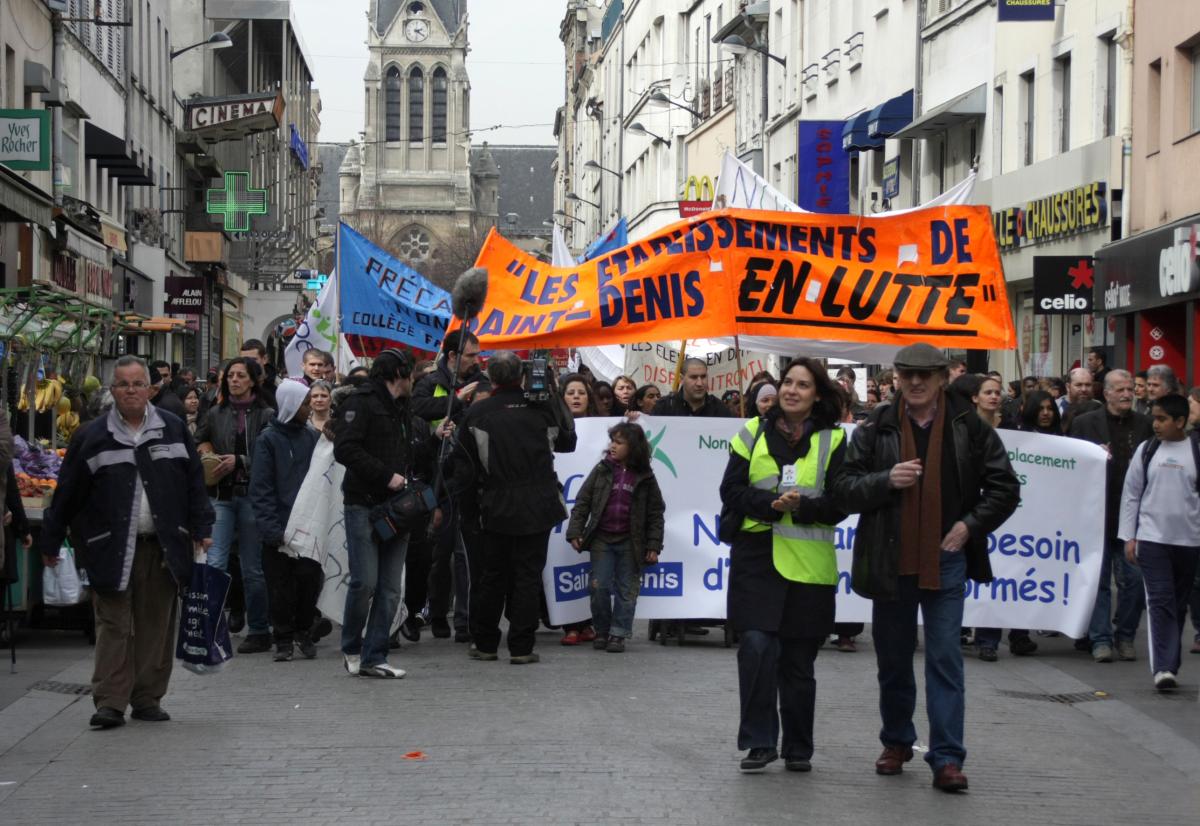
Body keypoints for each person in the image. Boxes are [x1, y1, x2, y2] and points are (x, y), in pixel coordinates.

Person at [832, 343, 1020, 793]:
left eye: (925, 375)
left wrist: (969, 526)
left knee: (945, 659)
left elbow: (1005, 488)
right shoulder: (875, 426)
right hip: (890, 559)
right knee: (893, 660)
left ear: (942, 378)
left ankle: (948, 757)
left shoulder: (969, 424)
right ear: (896, 376)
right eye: (907, 375)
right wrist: (884, 480)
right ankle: (896, 741)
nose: (915, 383)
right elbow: (842, 488)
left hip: (946, 560)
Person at [38, 356, 213, 729]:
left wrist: (202, 526)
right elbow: (67, 493)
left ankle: (148, 698)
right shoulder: (91, 435)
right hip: (110, 546)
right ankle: (110, 702)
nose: (131, 390)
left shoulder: (173, 428)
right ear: (112, 390)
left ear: (151, 388)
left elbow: (194, 484)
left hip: (163, 545)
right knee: (114, 624)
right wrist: (50, 540)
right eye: (123, 384)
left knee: (156, 625)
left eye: (138, 384)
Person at [720, 357, 848, 773]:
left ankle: (798, 747)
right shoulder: (750, 433)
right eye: (787, 382)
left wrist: (806, 506)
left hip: (809, 568)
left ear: (817, 394)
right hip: (756, 559)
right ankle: (759, 741)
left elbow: (840, 503)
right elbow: (731, 490)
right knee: (756, 648)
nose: (792, 390)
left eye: (803, 385)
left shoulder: (834, 439)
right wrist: (769, 505)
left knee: (797, 662)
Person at [456, 351, 577, 664]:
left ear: (492, 377)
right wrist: (552, 393)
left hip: (494, 505)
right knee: (527, 576)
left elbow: (465, 468)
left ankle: (485, 644)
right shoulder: (542, 409)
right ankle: (521, 647)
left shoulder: (478, 412)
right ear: (521, 376)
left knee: (492, 576)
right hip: (537, 504)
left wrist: (468, 511)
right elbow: (568, 440)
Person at [334, 349, 441, 679]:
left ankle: (374, 655)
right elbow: (346, 448)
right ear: (399, 374)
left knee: (391, 588)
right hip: (364, 504)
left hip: (398, 509)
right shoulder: (361, 402)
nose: (413, 381)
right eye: (410, 375)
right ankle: (352, 645)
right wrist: (385, 476)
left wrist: (432, 440)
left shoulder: (403, 409)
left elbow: (408, 451)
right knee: (364, 582)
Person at [1069, 369, 1153, 663]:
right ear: (1105, 393)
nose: (1126, 394)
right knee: (1098, 582)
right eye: (1119, 389)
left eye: (1130, 388)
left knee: (1134, 580)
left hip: (1133, 519)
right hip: (1095, 516)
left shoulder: (1145, 424)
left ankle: (1126, 635)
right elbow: (1071, 464)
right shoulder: (1084, 423)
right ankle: (1100, 639)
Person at [195, 357, 276, 654]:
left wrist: (240, 461)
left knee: (252, 567)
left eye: (241, 376)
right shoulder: (216, 413)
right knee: (215, 562)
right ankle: (212, 627)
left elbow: (271, 458)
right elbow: (199, 439)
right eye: (231, 376)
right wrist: (206, 450)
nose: (234, 380)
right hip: (221, 495)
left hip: (253, 497)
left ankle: (258, 629)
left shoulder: (267, 415)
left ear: (254, 380)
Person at [1119, 394, 1199, 690]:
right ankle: (1163, 668)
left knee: (1178, 605)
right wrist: (1130, 536)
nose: (1156, 424)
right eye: (1154, 417)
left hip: (1189, 542)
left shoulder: (1195, 450)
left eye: (1162, 419)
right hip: (1152, 540)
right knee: (1160, 600)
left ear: (1180, 421)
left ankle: (1170, 660)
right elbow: (1132, 494)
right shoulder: (1147, 450)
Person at [565, 422, 665, 652]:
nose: (612, 446)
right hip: (602, 539)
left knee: (627, 590)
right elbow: (582, 502)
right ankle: (601, 631)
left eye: (619, 443)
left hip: (631, 541)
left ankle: (618, 634)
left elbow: (655, 513)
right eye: (612, 441)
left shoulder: (646, 477)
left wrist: (653, 545)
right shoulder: (602, 470)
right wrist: (575, 530)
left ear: (634, 447)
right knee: (598, 587)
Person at [412, 329, 483, 642]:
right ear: (453, 356)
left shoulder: (481, 380)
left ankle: (466, 620)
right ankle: (438, 613)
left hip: (470, 480)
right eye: (470, 355)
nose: (476, 360)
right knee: (439, 555)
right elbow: (419, 410)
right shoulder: (429, 384)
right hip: (436, 478)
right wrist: (457, 400)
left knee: (466, 555)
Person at [249, 380, 321, 662]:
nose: (309, 407)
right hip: (279, 526)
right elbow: (261, 487)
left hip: (308, 527)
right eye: (304, 403)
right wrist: (271, 528)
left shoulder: (311, 437)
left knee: (308, 582)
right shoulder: (268, 440)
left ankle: (303, 631)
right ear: (292, 406)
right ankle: (283, 638)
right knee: (280, 586)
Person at [557, 373, 599, 646]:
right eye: (570, 392)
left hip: (594, 510)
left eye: (581, 392)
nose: (575, 397)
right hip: (564, 511)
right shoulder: (554, 427)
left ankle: (589, 622)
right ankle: (570, 625)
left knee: (592, 567)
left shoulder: (603, 427)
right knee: (565, 562)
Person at [652, 358, 734, 417]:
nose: (699, 383)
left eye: (703, 377)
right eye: (693, 377)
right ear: (681, 379)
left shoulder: (720, 408)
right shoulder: (664, 406)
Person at [1061, 367, 1102, 432]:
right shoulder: (1056, 408)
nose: (1084, 389)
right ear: (1068, 387)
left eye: (1088, 385)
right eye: (1079, 385)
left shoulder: (1099, 407)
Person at [240, 339, 277, 409]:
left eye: (253, 360)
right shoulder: (237, 383)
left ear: (265, 359)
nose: (248, 363)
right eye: (244, 360)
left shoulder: (278, 386)